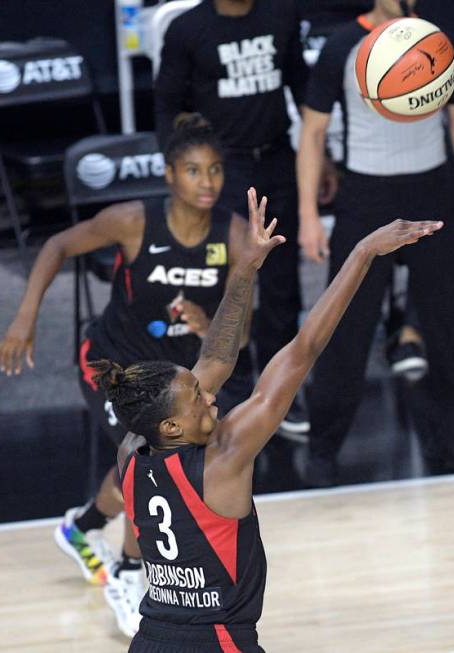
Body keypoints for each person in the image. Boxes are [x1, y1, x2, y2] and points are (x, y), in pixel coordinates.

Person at [100, 192, 439, 652]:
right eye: (197, 399)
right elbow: (302, 352)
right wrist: (363, 253)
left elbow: (215, 355)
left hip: (152, 641)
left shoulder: (133, 449)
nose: (211, 395)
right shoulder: (224, 457)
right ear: (173, 428)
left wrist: (244, 267)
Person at [0, 115, 255, 637]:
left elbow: (243, 333)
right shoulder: (133, 220)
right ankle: (125, 571)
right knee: (147, 461)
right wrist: (26, 317)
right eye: (192, 170)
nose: (206, 182)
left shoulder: (233, 234)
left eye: (214, 170)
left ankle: (83, 528)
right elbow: (56, 246)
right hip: (112, 365)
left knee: (151, 465)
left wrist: (211, 324)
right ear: (168, 175)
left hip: (173, 378)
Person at [296, 0, 454, 484]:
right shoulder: (342, 46)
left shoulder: (438, 41)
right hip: (365, 196)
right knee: (346, 329)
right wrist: (307, 216)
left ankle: (452, 439)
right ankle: (324, 446)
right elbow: (313, 132)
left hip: (433, 189)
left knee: (444, 325)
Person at [155, 0, 330, 437]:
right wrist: (184, 177)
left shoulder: (281, 14)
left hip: (277, 159)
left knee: (281, 283)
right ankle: (227, 393)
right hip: (222, 170)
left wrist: (320, 157)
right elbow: (166, 109)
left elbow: (302, 87)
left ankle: (279, 393)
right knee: (225, 282)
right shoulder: (187, 29)